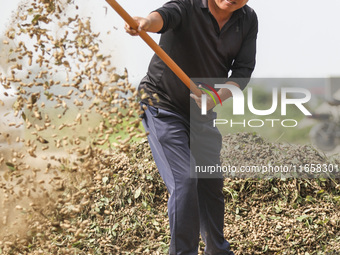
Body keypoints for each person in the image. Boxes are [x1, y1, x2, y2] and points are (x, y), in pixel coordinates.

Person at [125, 0, 257, 254]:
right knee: (185, 180)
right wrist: (145, 23)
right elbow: (164, 17)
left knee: (210, 183)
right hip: (162, 104)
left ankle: (218, 251)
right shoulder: (189, 4)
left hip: (201, 111)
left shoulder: (247, 20)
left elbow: (242, 72)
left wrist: (216, 97)